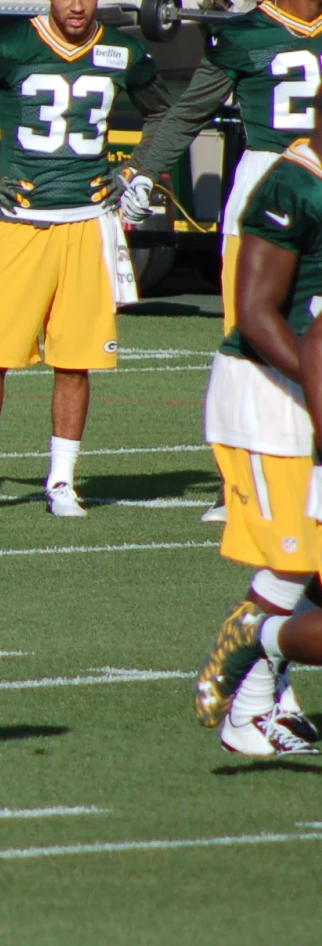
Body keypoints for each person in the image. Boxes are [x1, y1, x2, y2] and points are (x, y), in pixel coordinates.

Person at [0, 0, 188, 518]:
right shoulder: (12, 45)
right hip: (21, 224)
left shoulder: (120, 49)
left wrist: (134, 168)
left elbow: (165, 113)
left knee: (75, 358)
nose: (77, 6)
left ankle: (62, 482)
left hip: (87, 224)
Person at [116, 0, 322, 340]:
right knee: (254, 335)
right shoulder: (244, 34)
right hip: (268, 177)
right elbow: (189, 113)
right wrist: (143, 172)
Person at [190, 136, 322, 754]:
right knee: (294, 559)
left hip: (310, 388)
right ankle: (249, 704)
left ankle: (263, 705)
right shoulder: (292, 185)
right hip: (272, 396)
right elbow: (255, 311)